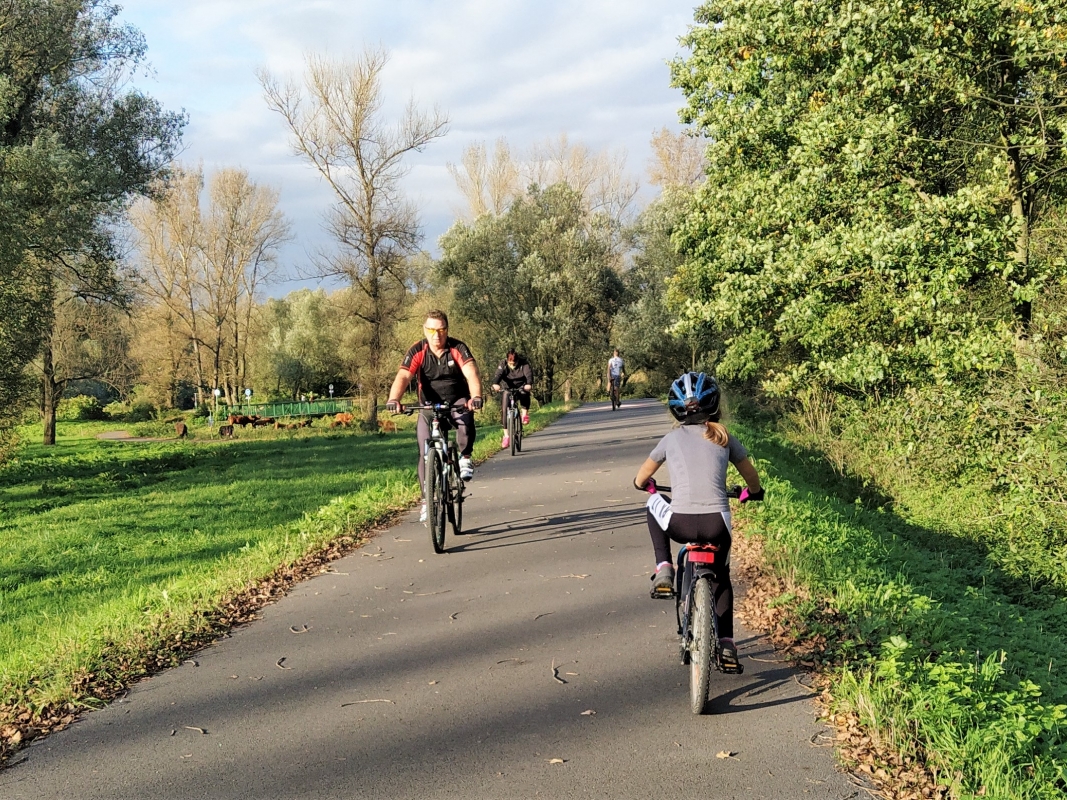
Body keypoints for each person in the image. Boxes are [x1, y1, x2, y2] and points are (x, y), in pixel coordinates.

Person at [632, 371, 764, 669]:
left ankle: (664, 567)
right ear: (714, 405)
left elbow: (642, 479)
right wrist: (751, 493)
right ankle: (728, 643)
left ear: (676, 409)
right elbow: (752, 479)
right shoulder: (724, 436)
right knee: (723, 576)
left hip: (680, 523)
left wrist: (649, 487)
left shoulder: (670, 439)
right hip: (717, 523)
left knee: (654, 502)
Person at [386, 310, 484, 522]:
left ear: (447, 330)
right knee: (424, 452)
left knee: (465, 421)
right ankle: (426, 501)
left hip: (457, 400)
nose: (436, 335)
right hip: (428, 406)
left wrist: (475, 396)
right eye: (431, 330)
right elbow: (404, 375)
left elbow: (471, 373)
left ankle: (465, 457)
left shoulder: (458, 348)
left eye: (441, 330)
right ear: (425, 330)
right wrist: (394, 399)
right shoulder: (418, 350)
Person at [490, 347, 533, 449]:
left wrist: (529, 384)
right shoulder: (503, 364)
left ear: (517, 360)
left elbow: (529, 375)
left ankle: (524, 414)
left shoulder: (524, 363)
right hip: (507, 388)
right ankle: (506, 436)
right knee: (504, 409)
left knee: (524, 393)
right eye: (510, 364)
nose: (512, 365)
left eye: (514, 363)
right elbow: (498, 375)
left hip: (521, 386)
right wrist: (495, 384)